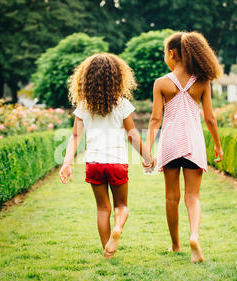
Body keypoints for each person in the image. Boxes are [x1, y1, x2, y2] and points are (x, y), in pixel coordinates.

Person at [59, 53, 155, 258]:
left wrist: (67, 162)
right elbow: (132, 135)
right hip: (117, 163)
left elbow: (75, 136)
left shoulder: (84, 105)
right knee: (122, 206)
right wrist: (147, 157)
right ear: (117, 77)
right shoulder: (122, 105)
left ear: (87, 79)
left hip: (94, 163)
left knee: (103, 209)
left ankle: (107, 250)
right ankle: (118, 228)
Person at [144, 31, 224, 263]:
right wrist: (217, 145)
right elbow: (210, 118)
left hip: (169, 143)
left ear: (172, 53)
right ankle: (195, 236)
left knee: (171, 197)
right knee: (193, 196)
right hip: (193, 143)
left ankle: (175, 245)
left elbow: (155, 120)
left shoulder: (161, 83)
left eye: (165, 54)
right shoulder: (202, 81)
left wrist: (148, 150)